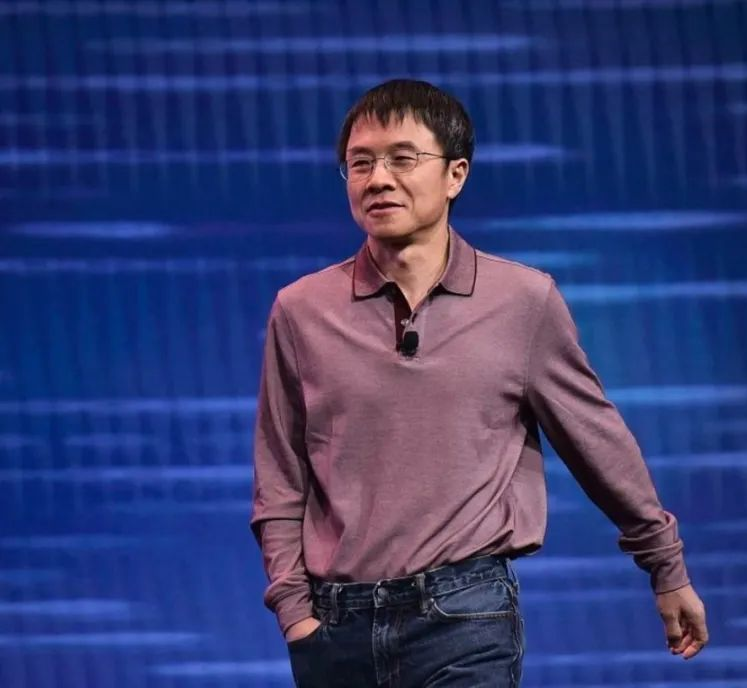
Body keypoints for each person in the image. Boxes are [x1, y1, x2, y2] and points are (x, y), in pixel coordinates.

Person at [250, 78, 708, 687]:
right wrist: (296, 616)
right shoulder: (302, 310)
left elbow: (597, 442)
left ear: (455, 174)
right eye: (360, 163)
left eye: (402, 159)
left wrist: (665, 566)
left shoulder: (521, 301)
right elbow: (280, 477)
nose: (378, 179)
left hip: (465, 614)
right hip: (338, 624)